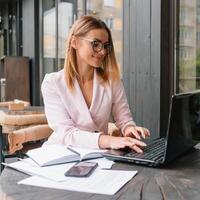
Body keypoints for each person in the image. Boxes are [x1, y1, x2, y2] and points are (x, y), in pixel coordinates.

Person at [41, 16, 150, 153]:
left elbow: (124, 119)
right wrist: (110, 140)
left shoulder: (112, 80)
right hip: (60, 156)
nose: (103, 51)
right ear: (74, 42)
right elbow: (67, 134)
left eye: (105, 46)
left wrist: (129, 129)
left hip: (99, 158)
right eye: (96, 44)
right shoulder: (52, 83)